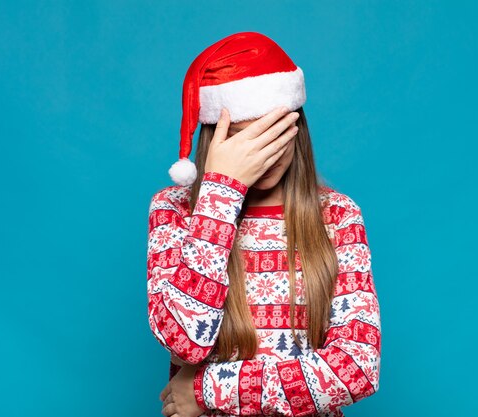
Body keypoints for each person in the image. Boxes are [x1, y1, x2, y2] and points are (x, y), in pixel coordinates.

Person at [147, 32, 381, 417]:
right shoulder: (173, 210)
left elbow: (357, 369)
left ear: (296, 126)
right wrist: (222, 192)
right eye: (244, 139)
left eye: (273, 135)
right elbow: (185, 341)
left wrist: (208, 390)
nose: (263, 155)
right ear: (215, 138)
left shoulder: (337, 216)